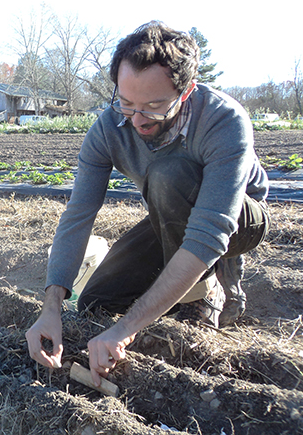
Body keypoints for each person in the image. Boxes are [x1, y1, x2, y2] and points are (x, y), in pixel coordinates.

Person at [25, 21, 270, 387]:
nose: (137, 120)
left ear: (185, 92)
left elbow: (210, 231)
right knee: (97, 301)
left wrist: (125, 330)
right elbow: (78, 216)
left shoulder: (224, 119)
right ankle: (179, 285)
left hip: (238, 218)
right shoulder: (108, 128)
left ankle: (204, 291)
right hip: (169, 211)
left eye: (154, 107)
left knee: (170, 174)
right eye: (126, 103)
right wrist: (51, 308)